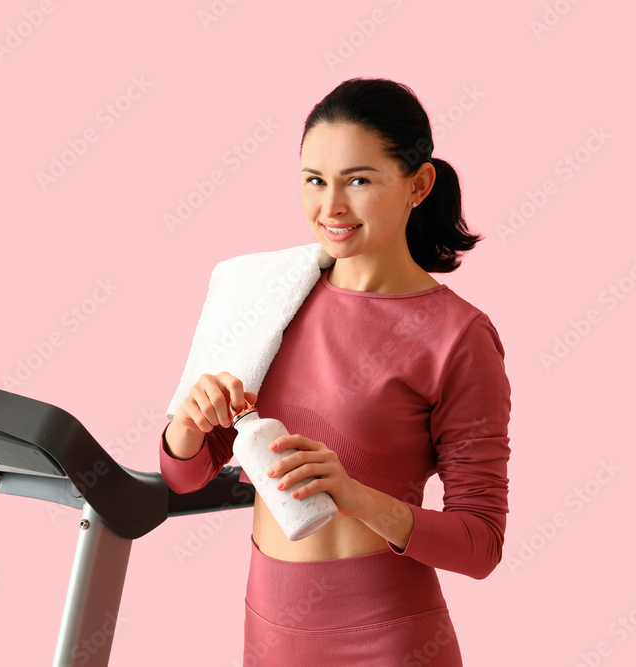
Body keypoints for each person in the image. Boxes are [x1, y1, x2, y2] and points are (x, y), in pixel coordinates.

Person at [159, 77, 512, 665]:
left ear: (418, 185)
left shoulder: (458, 337)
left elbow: (481, 544)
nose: (331, 208)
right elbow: (184, 476)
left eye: (359, 180)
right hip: (268, 630)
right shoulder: (267, 300)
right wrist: (189, 426)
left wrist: (354, 496)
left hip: (391, 638)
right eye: (315, 181)